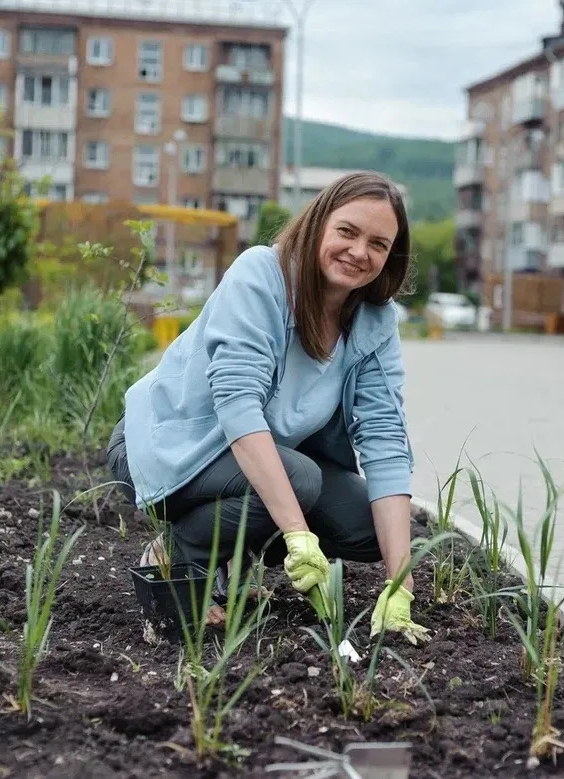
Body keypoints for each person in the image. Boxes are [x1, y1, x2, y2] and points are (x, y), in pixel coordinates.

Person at [105, 171, 428, 644]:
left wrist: (401, 585)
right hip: (170, 442)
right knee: (299, 480)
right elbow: (237, 406)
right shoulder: (262, 275)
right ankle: (180, 557)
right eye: (347, 232)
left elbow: (384, 438)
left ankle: (233, 550)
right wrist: (297, 536)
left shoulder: (375, 322)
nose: (360, 252)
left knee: (369, 526)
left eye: (378, 244)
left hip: (255, 459)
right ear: (319, 223)